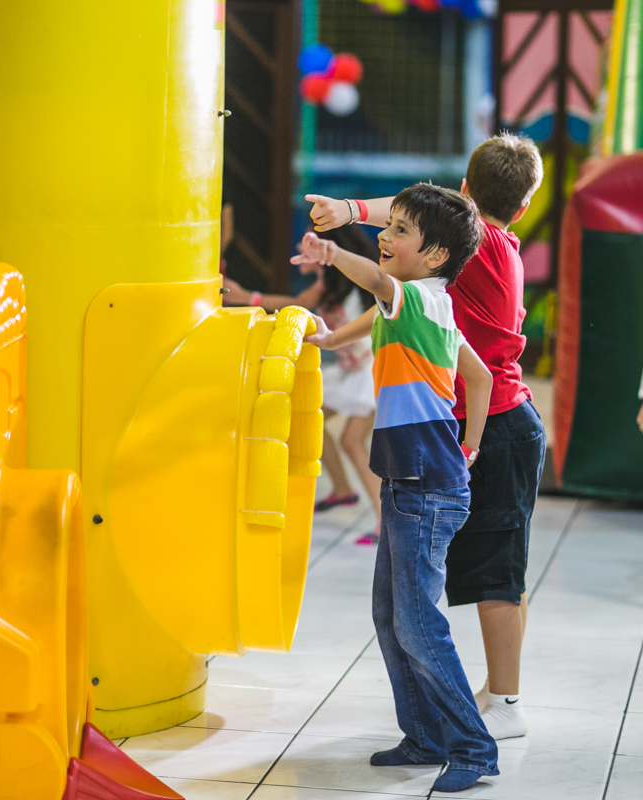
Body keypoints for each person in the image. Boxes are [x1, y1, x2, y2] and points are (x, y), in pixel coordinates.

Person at [306, 133, 547, 741]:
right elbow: (393, 304)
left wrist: (352, 215)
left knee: (496, 573)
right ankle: (499, 688)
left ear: (463, 198)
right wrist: (334, 339)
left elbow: (418, 216)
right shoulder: (462, 266)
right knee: (498, 566)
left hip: (497, 425)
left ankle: (508, 701)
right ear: (523, 207)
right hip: (484, 424)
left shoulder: (484, 244)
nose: (399, 233)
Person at [300, 183, 495, 793]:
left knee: (415, 623)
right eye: (391, 226)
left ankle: (472, 745)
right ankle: (424, 735)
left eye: (401, 230)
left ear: (435, 255)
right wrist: (472, 445)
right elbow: (480, 378)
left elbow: (382, 292)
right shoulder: (430, 304)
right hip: (417, 483)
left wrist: (333, 256)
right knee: (392, 616)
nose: (385, 236)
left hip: (424, 489)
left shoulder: (410, 296)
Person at [225, 228, 383, 543]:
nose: (300, 247)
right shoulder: (330, 283)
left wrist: (246, 297)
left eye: (308, 243)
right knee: (311, 417)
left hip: (369, 372)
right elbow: (297, 302)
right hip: (354, 371)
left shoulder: (344, 279)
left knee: (353, 442)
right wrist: (246, 297)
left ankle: (386, 523)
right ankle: (342, 489)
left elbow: (295, 302)